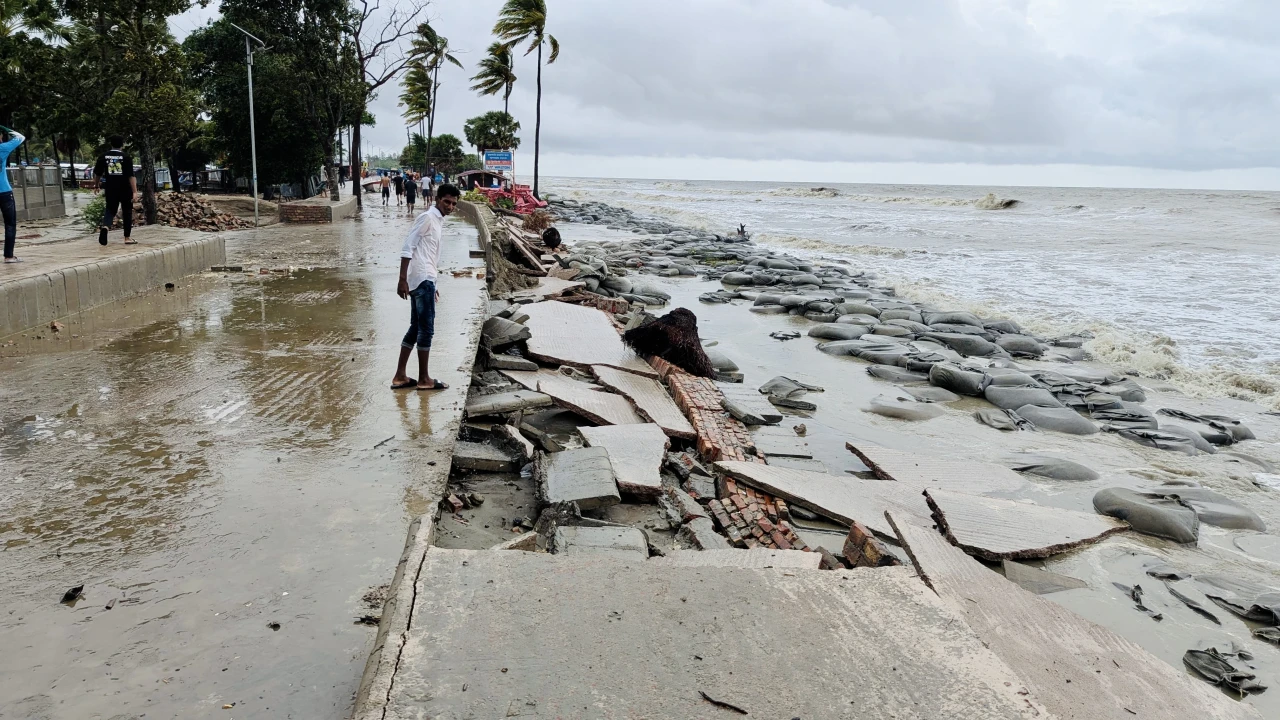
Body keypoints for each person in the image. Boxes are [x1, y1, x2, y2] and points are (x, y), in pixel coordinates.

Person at [391, 183, 460, 391]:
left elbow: (429, 255)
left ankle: (400, 376)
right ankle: (424, 379)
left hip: (425, 279)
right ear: (437, 199)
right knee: (426, 329)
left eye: (453, 204)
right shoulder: (428, 218)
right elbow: (408, 247)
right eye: (446, 201)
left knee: (416, 327)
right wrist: (402, 279)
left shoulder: (437, 221)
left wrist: (433, 283)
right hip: (421, 279)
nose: (450, 206)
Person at [93, 135, 137, 245]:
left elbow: (97, 173)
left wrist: (96, 185)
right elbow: (131, 176)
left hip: (111, 187)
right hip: (125, 188)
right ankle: (127, 238)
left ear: (111, 144)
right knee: (127, 211)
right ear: (122, 144)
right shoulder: (126, 157)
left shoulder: (103, 156)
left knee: (110, 209)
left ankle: (105, 227)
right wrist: (135, 191)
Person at [0, 125, 25, 263]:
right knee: (10, 224)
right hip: (4, 192)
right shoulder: (3, 148)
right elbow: (20, 137)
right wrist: (4, 128)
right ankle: (8, 256)